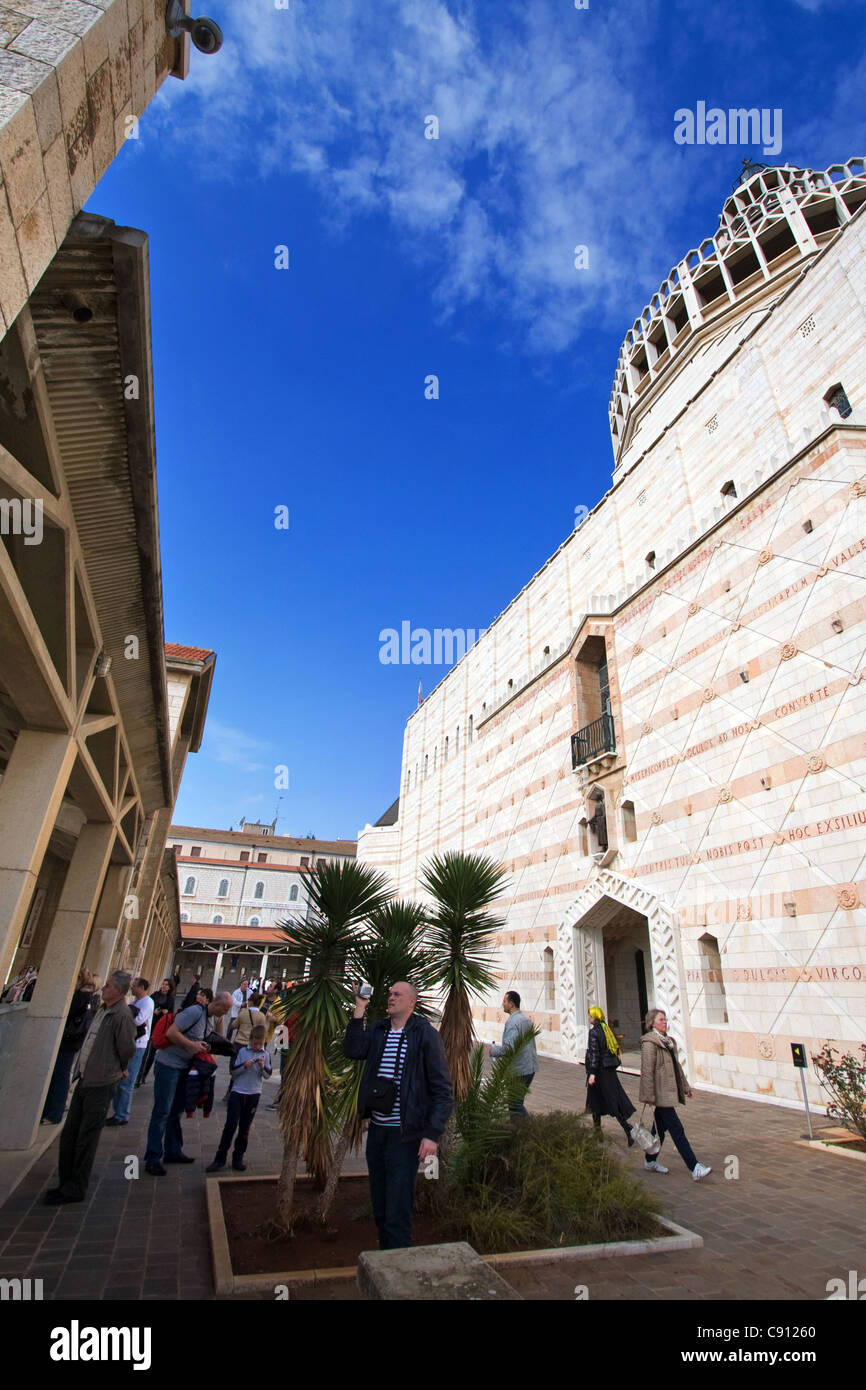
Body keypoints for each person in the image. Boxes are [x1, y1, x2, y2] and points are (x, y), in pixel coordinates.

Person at [344, 981, 453, 1250]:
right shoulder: (379, 1030)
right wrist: (359, 1008)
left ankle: (398, 1264)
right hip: (378, 1132)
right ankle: (385, 1259)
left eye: (397, 995)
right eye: (390, 994)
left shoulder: (424, 1034)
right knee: (380, 1203)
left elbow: (442, 1089)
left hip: (405, 1136)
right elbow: (353, 1050)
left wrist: (432, 1135)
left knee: (397, 1206)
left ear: (411, 1002)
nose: (390, 998)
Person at [44, 971, 136, 1205]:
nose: (103, 988)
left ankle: (75, 1187)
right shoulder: (102, 1009)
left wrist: (116, 1068)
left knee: (86, 1137)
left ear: (118, 990)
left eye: (108, 985)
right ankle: (65, 1182)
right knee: (70, 1134)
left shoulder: (121, 1015)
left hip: (101, 1081)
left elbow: (126, 1048)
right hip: (85, 1078)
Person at [143, 990, 232, 1176]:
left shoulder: (209, 1019)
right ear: (218, 1005)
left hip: (184, 1067)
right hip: (168, 1065)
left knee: (176, 1110)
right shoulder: (194, 1012)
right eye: (226, 1009)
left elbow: (216, 1038)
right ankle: (152, 1157)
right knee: (162, 1111)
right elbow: (171, 1032)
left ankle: (173, 1150)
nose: (226, 1012)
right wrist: (192, 1046)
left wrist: (204, 1045)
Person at [639, 1007, 711, 1181]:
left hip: (669, 1091)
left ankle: (650, 1161)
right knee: (677, 1130)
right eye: (661, 1020)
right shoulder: (650, 1043)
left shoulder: (668, 1042)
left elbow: (676, 1067)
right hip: (661, 1093)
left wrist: (686, 1087)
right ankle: (694, 1167)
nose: (665, 1022)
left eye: (665, 1019)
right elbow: (647, 1070)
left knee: (659, 1131)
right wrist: (649, 1096)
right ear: (652, 1023)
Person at [207, 1024, 272, 1172]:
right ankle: (220, 1158)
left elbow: (267, 1075)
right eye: (255, 1043)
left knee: (245, 1127)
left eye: (260, 1044)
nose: (256, 1047)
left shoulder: (265, 1055)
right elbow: (233, 1072)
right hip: (238, 1092)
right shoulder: (242, 1052)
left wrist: (262, 1067)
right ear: (250, 1040)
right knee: (230, 1125)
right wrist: (245, 1065)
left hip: (254, 1093)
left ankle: (238, 1157)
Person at [41, 970, 96, 1124]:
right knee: (60, 1074)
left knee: (60, 1075)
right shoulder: (87, 996)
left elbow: (67, 1012)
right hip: (71, 1041)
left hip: (68, 1041)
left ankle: (54, 1113)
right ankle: (50, 1111)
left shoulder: (81, 996)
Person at [105, 978, 154, 1126]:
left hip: (138, 1044)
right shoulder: (135, 1002)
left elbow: (138, 1021)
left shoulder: (147, 1002)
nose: (131, 988)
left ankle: (122, 1114)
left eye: (133, 986)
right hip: (128, 1042)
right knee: (120, 1080)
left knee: (127, 1081)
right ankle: (118, 1111)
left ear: (141, 987)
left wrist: (124, 1018)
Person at [585, 1004, 636, 1142]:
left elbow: (595, 1054)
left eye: (590, 1015)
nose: (588, 1017)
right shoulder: (606, 1029)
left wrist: (592, 1073)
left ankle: (626, 1129)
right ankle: (601, 1132)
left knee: (599, 1102)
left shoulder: (594, 1032)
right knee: (603, 1101)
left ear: (594, 1017)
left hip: (599, 1073)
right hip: (608, 1071)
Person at [488, 990, 538, 1115]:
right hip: (529, 1067)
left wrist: (494, 1051)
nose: (502, 1004)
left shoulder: (512, 1022)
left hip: (520, 1069)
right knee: (517, 1103)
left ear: (511, 1004)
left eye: (504, 1001)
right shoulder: (525, 1020)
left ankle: (524, 1130)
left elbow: (509, 1048)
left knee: (515, 1105)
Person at [136, 977, 176, 1087]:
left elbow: (171, 1015)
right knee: (146, 1052)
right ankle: (139, 1076)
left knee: (151, 1053)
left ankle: (143, 1074)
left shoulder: (170, 999)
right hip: (151, 1025)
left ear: (170, 987)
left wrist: (166, 1012)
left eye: (166, 985)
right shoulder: (155, 995)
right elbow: (149, 1009)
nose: (164, 986)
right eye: (163, 984)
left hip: (161, 1028)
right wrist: (154, 1012)